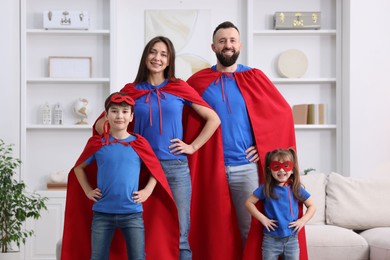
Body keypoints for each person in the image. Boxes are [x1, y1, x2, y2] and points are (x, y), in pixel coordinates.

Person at [186, 21, 308, 259]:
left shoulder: (254, 77)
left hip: (245, 167)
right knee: (216, 228)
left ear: (239, 45)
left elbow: (281, 114)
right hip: (213, 168)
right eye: (222, 41)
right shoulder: (198, 82)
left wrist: (263, 147)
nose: (227, 45)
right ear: (213, 47)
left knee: (249, 228)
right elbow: (178, 115)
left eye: (232, 40)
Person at [94, 36, 221, 260]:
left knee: (181, 232)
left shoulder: (179, 87)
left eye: (163, 54)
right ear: (145, 57)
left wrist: (192, 146)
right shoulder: (130, 91)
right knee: (144, 231)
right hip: (139, 168)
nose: (157, 58)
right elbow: (99, 124)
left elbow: (213, 119)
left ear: (169, 60)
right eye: (153, 52)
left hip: (175, 168)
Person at [61, 92, 180, 260]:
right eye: (114, 111)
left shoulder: (139, 143)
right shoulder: (97, 143)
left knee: (138, 257)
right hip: (102, 214)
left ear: (131, 117)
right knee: (97, 257)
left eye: (125, 112)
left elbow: (156, 170)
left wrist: (147, 191)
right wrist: (88, 191)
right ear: (107, 116)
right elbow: (78, 168)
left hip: (132, 213)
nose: (119, 116)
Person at [245, 148, 316, 260]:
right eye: (276, 166)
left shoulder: (295, 188)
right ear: (269, 170)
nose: (282, 170)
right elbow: (249, 202)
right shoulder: (266, 188)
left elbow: (312, 205)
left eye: (286, 166)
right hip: (270, 240)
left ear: (292, 169)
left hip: (291, 240)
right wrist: (263, 219)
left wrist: (302, 221)